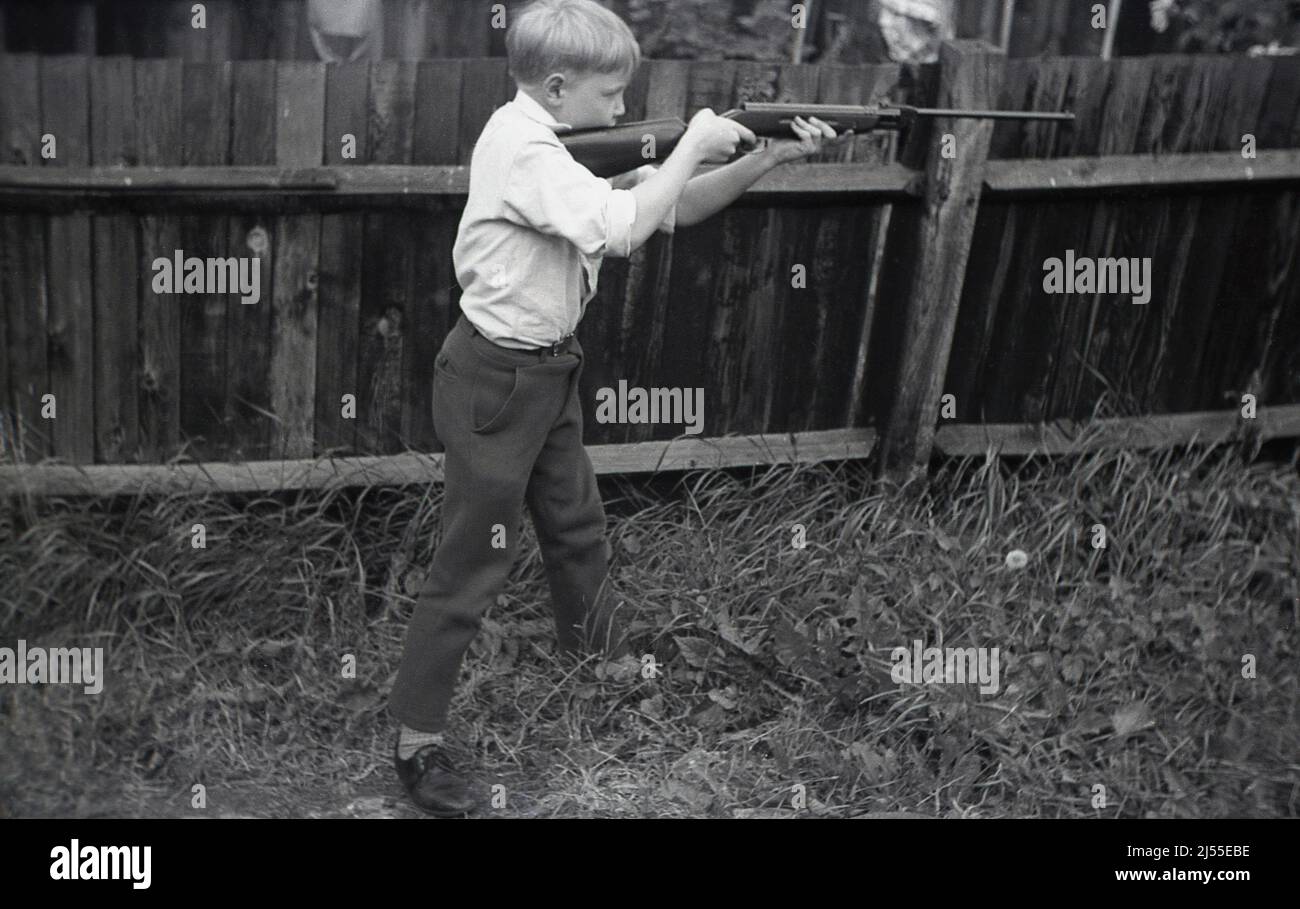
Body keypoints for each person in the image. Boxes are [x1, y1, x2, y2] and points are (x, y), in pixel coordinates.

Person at [387, 0, 849, 816]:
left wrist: (764, 157)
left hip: (547, 372)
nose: (623, 114)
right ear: (558, 88)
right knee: (470, 562)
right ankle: (417, 743)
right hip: (495, 382)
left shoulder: (562, 143)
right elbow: (628, 227)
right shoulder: (525, 151)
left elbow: (677, 207)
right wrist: (698, 140)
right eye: (612, 97)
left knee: (576, 527)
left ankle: (595, 671)